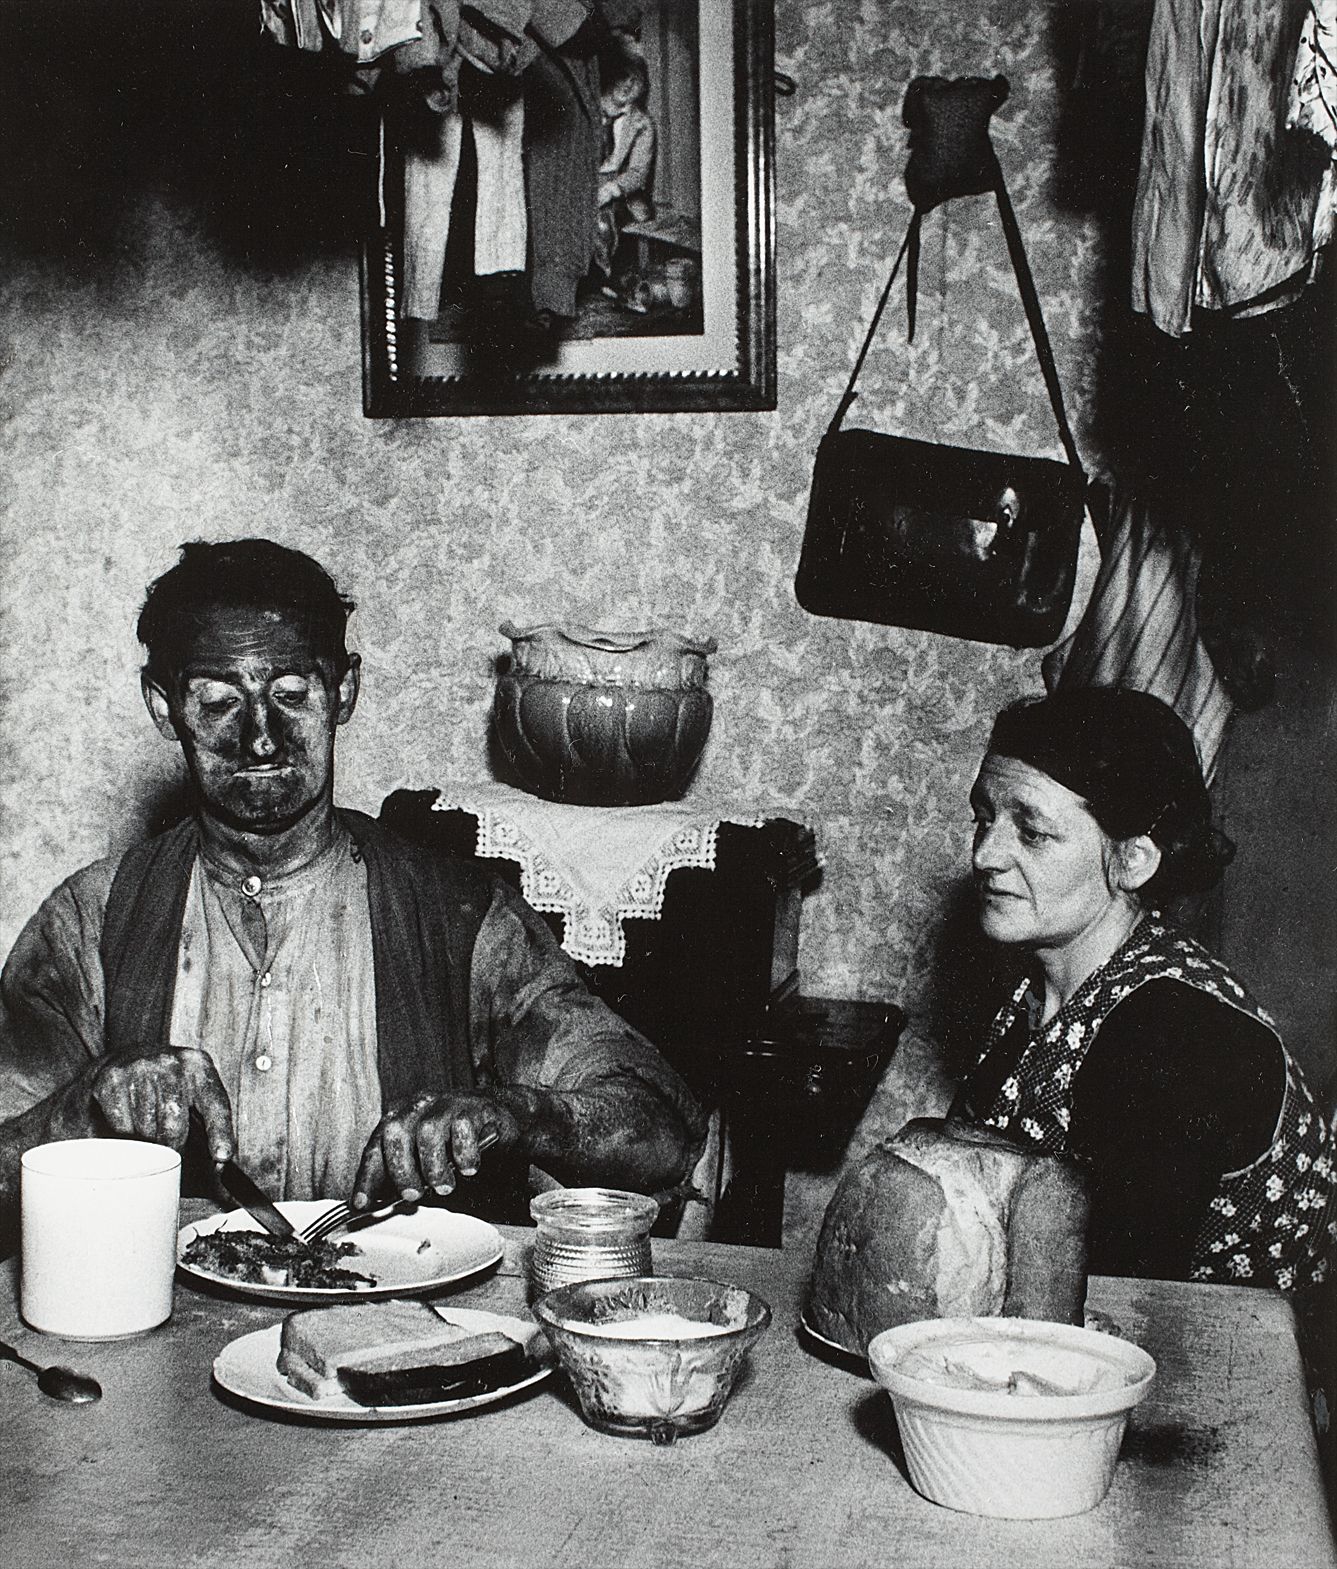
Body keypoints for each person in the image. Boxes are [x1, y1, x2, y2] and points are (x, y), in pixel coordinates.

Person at [0, 540, 706, 1233]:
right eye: (217, 701)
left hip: (401, 1329)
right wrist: (83, 1105)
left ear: (343, 691)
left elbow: (663, 1131)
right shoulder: (92, 917)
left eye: (291, 695)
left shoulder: (458, 915)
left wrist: (517, 1116)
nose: (261, 739)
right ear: (164, 707)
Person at [952, 686, 1334, 1289]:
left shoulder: (1173, 1033)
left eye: (1031, 832)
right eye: (984, 818)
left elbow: (1113, 1300)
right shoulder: (1042, 992)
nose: (986, 855)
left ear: (1132, 860)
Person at [591, 54, 656, 302]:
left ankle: (610, 278)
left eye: (636, 80)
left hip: (621, 195)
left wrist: (610, 189)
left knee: (606, 219)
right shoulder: (587, 112)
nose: (628, 85)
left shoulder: (642, 124)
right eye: (623, 76)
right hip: (582, 185)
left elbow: (638, 174)